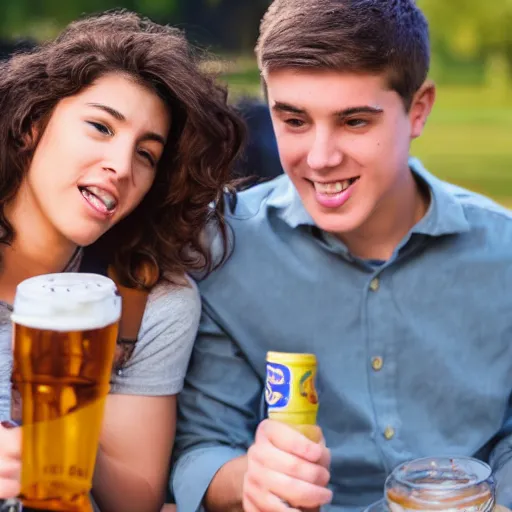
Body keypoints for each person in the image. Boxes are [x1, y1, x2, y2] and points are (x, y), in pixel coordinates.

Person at [170, 0, 512, 511]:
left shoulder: (503, 253)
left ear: (418, 110)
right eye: (294, 120)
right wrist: (250, 477)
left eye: (354, 122)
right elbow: (199, 450)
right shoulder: (227, 250)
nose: (321, 158)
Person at [0, 10, 243, 512]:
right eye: (100, 127)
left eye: (147, 155)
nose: (120, 166)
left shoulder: (145, 302)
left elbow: (135, 500)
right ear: (31, 125)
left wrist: (65, 422)